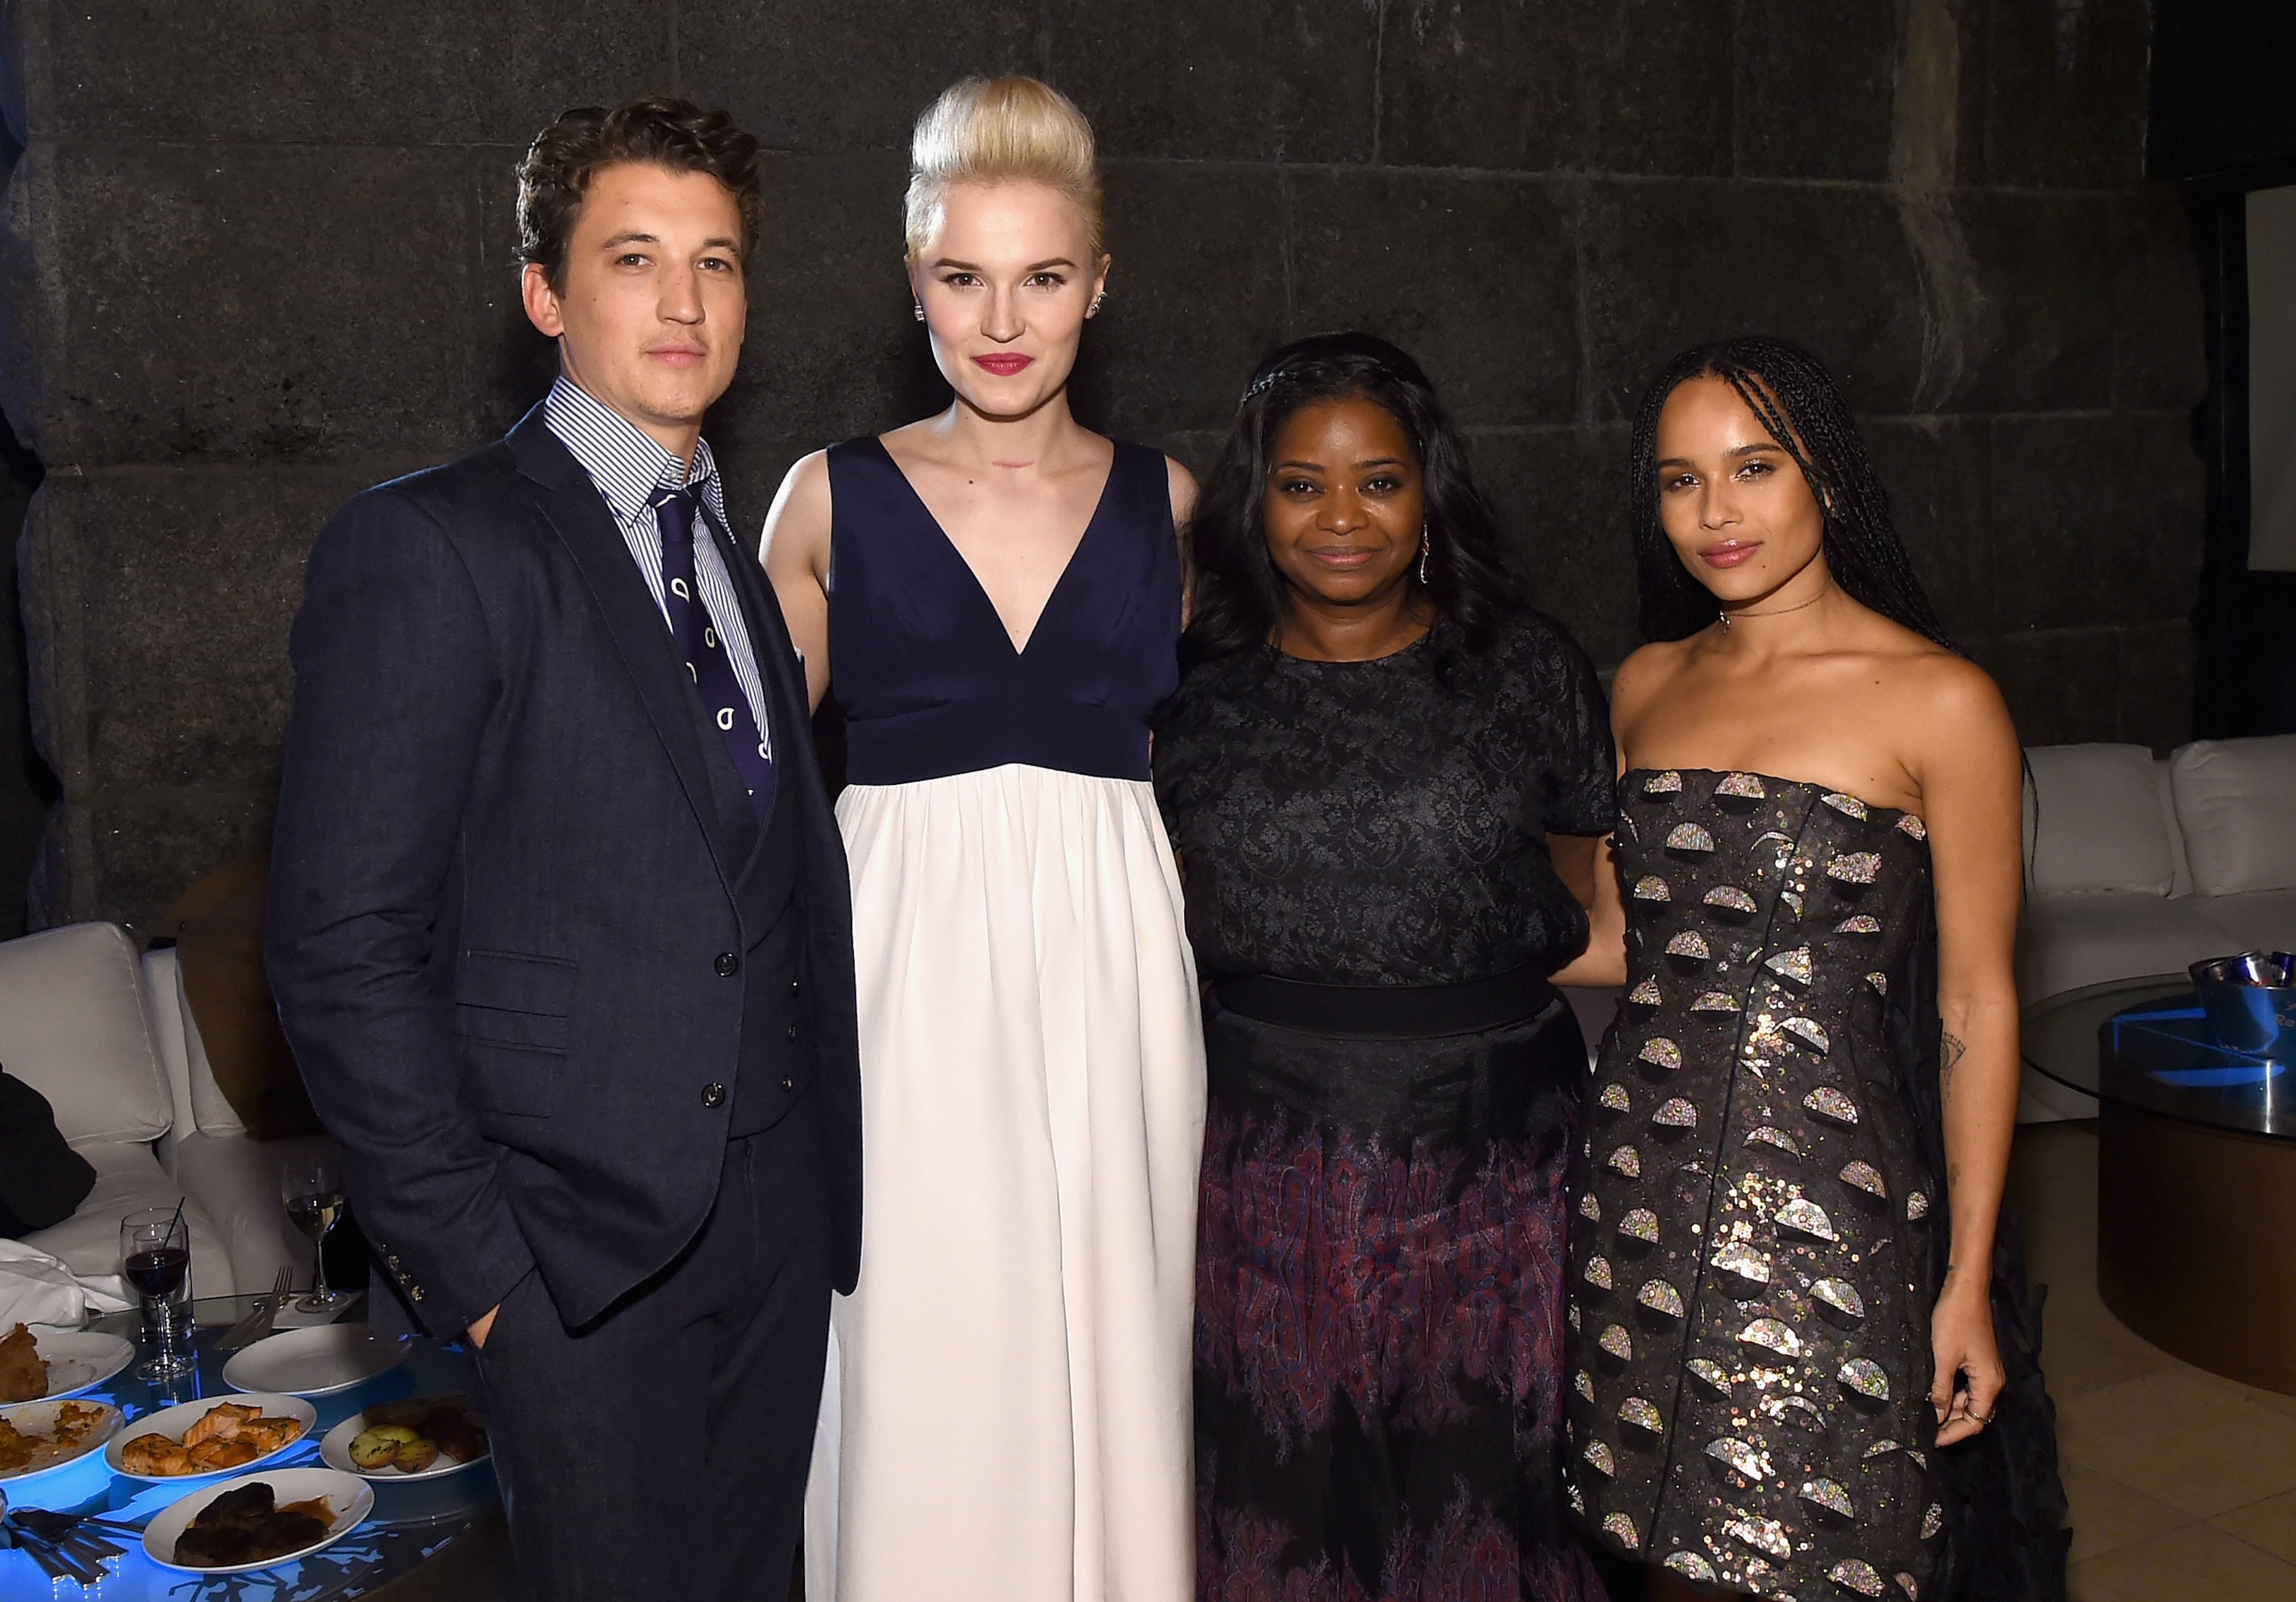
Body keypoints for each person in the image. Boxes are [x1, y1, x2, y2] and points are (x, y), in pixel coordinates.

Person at [266, 97, 860, 1601]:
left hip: (777, 1228)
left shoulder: (725, 539)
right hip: (570, 1261)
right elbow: (342, 947)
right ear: (546, 293)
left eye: (717, 263)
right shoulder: (429, 544)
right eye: (636, 257)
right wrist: (479, 1281)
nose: (683, 302)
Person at [761, 76, 1204, 1601]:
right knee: (925, 1338)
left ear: (1100, 281)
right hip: (901, 970)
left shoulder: (1173, 504)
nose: (1001, 320)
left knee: (1116, 1329)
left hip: (1117, 966)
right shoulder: (826, 497)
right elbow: (725, 786)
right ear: (913, 283)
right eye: (962, 277)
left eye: (1042, 277)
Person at [1562, 337, 2066, 1600]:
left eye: (1754, 466)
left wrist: (1966, 1280)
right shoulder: (1645, 683)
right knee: (1646, 1550)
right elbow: (1622, 943)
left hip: (1827, 1212)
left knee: (1822, 1553)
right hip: (1635, 1192)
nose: (1716, 511)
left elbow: (1975, 1000)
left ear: (1826, 480)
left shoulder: (1940, 700)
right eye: (1681, 480)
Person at [1153, 331, 1616, 1601]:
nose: (1341, 516)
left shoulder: (1528, 670)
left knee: (1493, 1480)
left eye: (1380, 480)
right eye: (1301, 483)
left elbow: (1577, 892)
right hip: (1258, 1149)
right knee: (1281, 1480)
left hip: (1501, 1157)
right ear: (1254, 503)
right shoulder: (1184, 686)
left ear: (1430, 497)